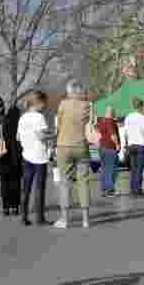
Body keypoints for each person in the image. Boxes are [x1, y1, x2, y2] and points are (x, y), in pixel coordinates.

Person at [54, 79, 93, 229]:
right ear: (80, 91)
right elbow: (89, 123)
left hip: (63, 145)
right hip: (81, 145)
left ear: (69, 91)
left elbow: (59, 125)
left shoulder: (63, 104)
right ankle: (85, 220)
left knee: (65, 182)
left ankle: (64, 220)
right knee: (83, 181)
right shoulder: (87, 106)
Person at [17, 91, 51, 226]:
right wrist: (55, 135)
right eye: (45, 103)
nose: (45, 106)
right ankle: (40, 218)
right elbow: (41, 136)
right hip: (39, 157)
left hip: (26, 155)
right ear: (38, 102)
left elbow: (18, 138)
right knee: (39, 188)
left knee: (26, 188)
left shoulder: (22, 117)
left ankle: (24, 216)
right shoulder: (39, 117)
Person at [0, 99, 23, 216]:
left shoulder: (3, 123)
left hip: (4, 156)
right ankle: (15, 207)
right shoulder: (20, 125)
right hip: (16, 158)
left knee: (5, 182)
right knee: (16, 183)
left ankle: (6, 207)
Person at [122, 98, 144, 197]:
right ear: (141, 106)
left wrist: (126, 144)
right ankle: (138, 190)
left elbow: (125, 132)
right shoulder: (143, 117)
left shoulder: (128, 117)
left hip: (131, 145)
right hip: (141, 145)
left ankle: (133, 189)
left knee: (133, 168)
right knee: (139, 168)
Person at [96, 106, 120, 196]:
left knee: (104, 169)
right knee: (111, 169)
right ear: (111, 113)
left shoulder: (101, 122)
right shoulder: (110, 122)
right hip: (110, 148)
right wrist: (117, 144)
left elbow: (98, 134)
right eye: (113, 112)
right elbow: (112, 135)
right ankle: (110, 190)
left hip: (102, 148)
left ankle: (104, 189)